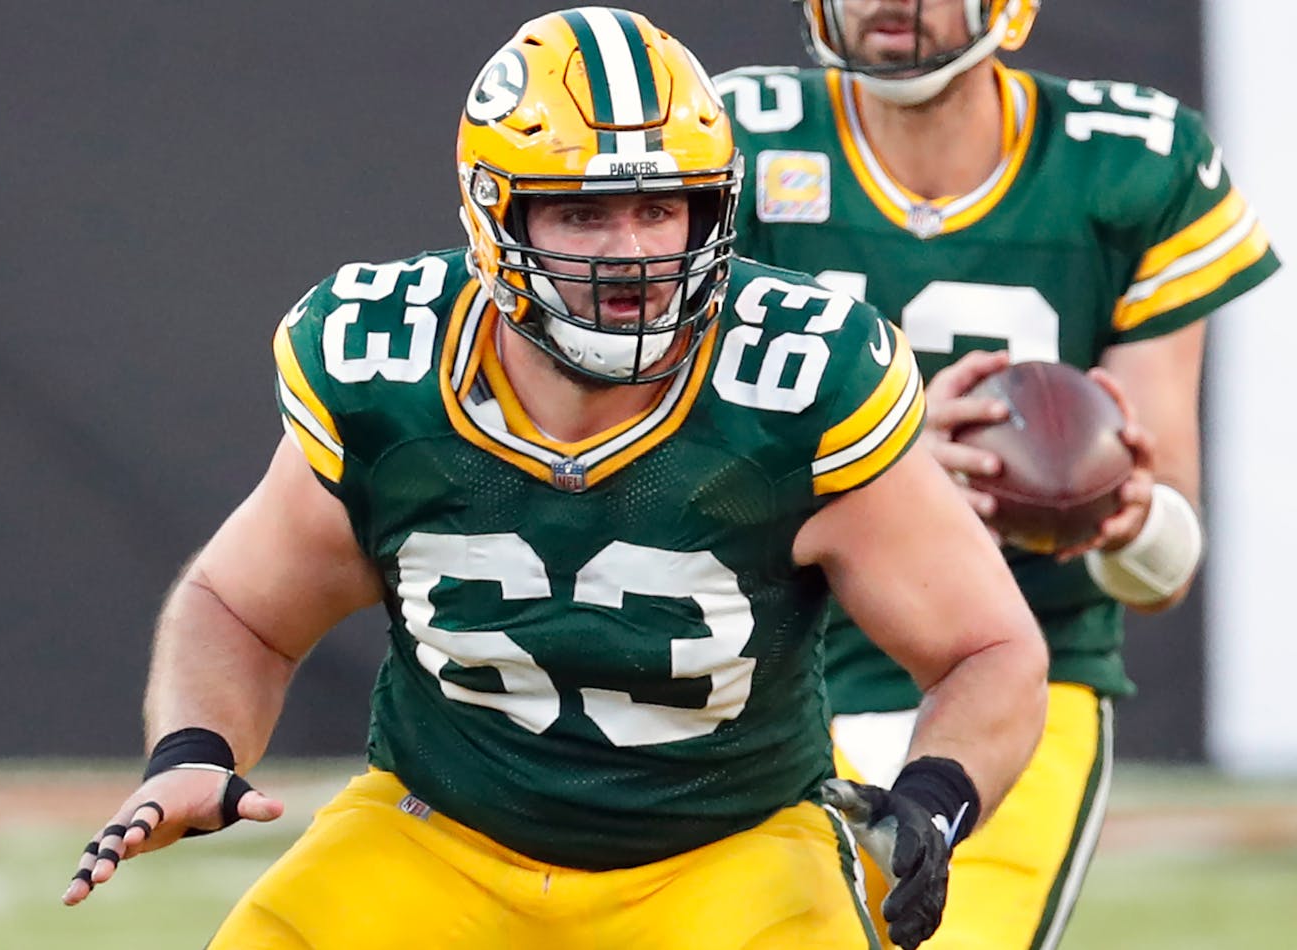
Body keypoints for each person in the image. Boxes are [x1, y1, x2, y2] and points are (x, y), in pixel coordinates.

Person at [61, 8, 1048, 948]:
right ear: (492, 213)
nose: (630, 255)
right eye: (582, 213)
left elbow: (985, 647)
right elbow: (239, 606)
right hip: (439, 835)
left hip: (727, 854)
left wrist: (931, 799)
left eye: (660, 207)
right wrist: (194, 748)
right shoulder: (386, 368)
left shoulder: (796, 380)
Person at [715, 1, 1281, 947]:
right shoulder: (735, 142)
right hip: (769, 661)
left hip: (1017, 667)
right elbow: (667, 470)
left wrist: (1121, 510)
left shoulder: (1131, 162)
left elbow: (1164, 565)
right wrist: (879, 464)